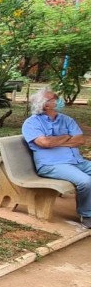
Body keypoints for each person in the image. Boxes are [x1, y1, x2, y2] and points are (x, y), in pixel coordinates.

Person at [22, 88, 91, 228]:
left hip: (77, 161)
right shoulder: (31, 123)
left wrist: (55, 141)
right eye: (54, 98)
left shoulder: (66, 120)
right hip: (52, 165)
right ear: (45, 105)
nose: (59, 101)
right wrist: (66, 137)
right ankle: (87, 215)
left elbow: (80, 140)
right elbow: (44, 143)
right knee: (86, 182)